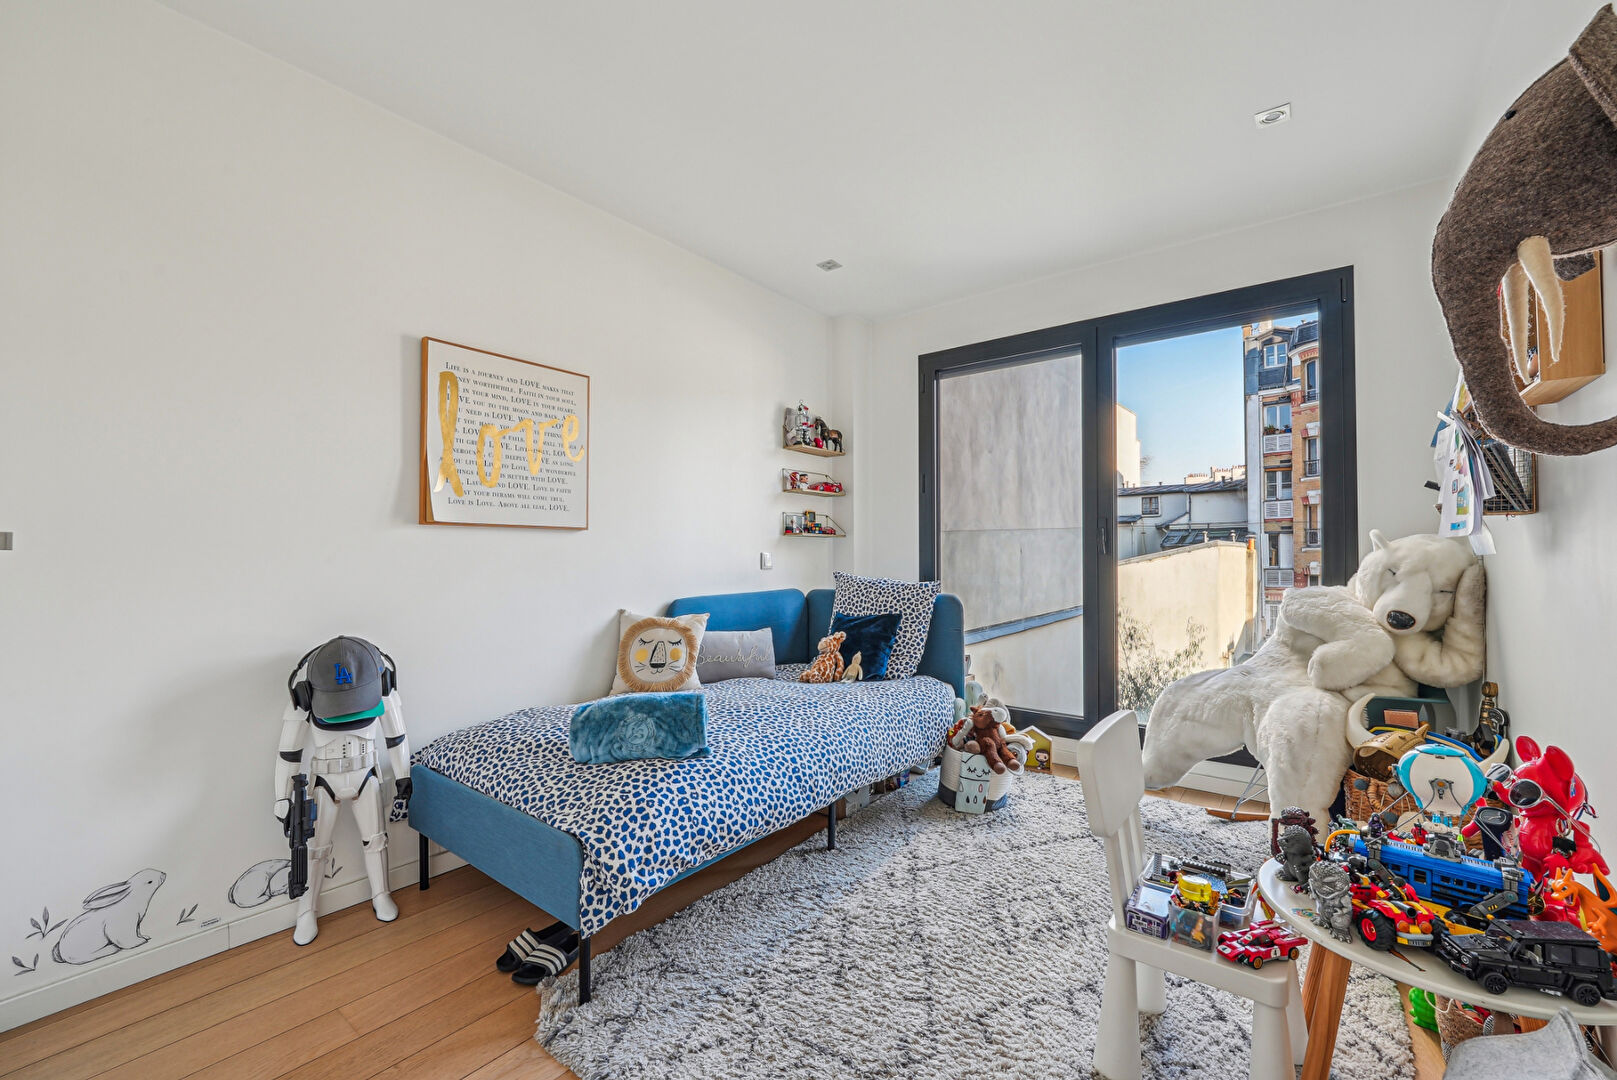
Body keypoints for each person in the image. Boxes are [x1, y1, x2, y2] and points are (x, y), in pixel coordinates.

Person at [274, 637, 411, 945]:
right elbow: (289, 752)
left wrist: (404, 776)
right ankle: (306, 910)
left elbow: (397, 736)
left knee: (377, 840)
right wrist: (282, 797)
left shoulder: (382, 687)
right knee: (315, 849)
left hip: (367, 774)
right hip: (324, 780)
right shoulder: (305, 696)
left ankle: (381, 894)